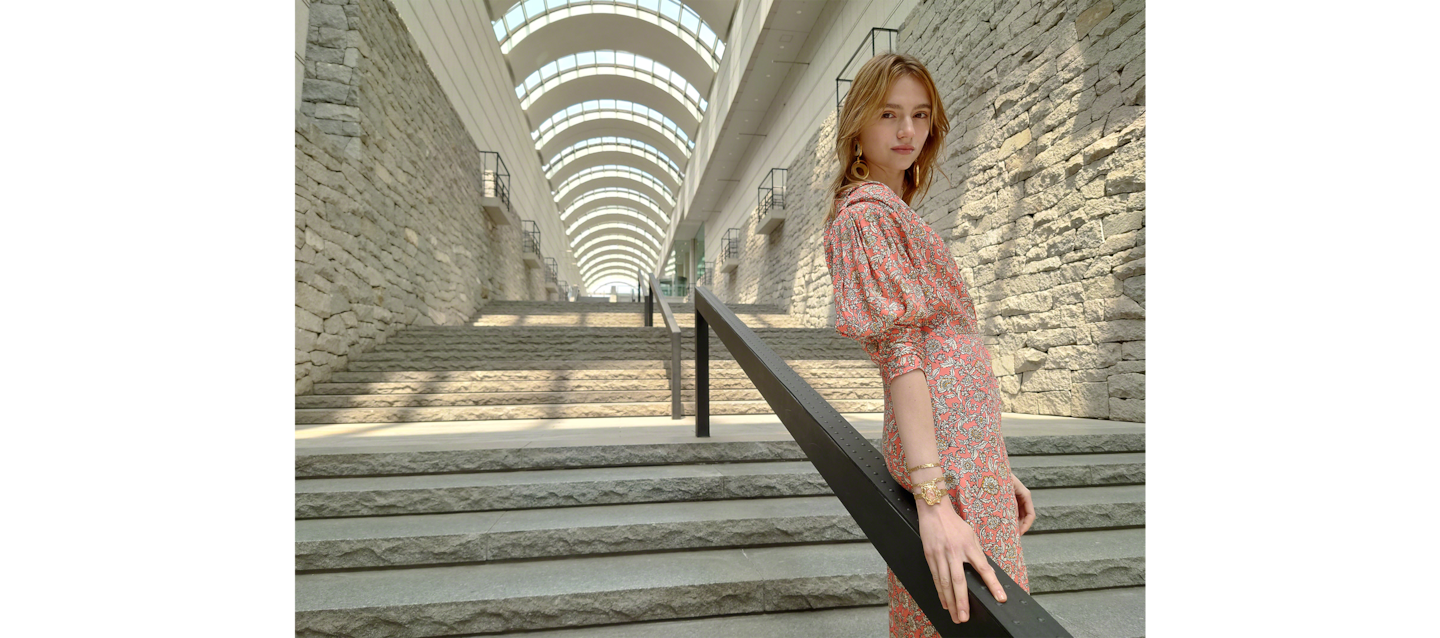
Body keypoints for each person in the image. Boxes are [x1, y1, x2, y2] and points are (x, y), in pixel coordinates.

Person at [822, 52, 1037, 636]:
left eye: (920, 115)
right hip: (943, 447)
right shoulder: (865, 217)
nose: (907, 130)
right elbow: (902, 355)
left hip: (968, 445)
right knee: (965, 612)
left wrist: (995, 461)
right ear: (858, 126)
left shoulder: (893, 211)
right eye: (889, 113)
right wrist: (934, 497)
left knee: (984, 607)